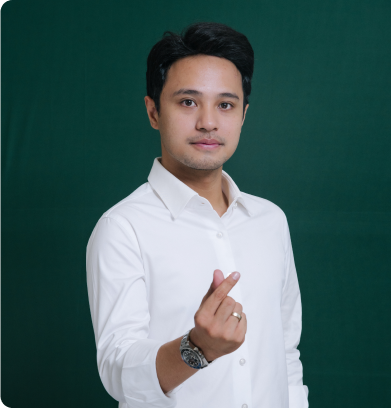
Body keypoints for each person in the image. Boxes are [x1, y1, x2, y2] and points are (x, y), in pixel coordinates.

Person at [86, 21, 309, 408]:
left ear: (243, 115)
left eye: (225, 105)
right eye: (188, 102)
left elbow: (285, 352)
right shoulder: (122, 228)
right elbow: (118, 371)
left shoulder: (270, 221)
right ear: (153, 111)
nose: (208, 122)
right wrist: (197, 348)